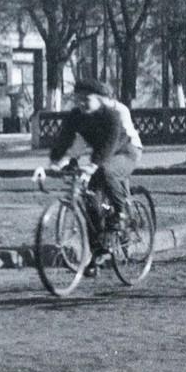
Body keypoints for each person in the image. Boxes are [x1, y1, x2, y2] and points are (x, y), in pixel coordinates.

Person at [40, 79, 142, 276]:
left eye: (86, 99)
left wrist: (94, 165)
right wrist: (56, 161)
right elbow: (68, 139)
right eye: (77, 99)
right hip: (102, 156)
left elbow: (110, 143)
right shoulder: (77, 115)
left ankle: (121, 214)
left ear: (101, 99)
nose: (80, 104)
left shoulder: (115, 113)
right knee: (90, 201)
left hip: (126, 151)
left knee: (105, 171)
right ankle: (98, 253)